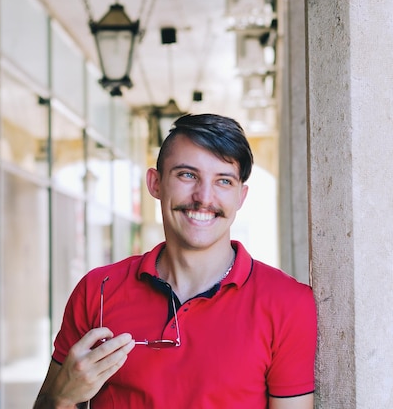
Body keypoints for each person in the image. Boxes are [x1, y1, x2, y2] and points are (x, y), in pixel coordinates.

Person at [33, 113, 317, 409]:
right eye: (187, 175)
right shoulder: (98, 290)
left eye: (223, 180)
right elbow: (46, 403)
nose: (204, 197)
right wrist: (62, 398)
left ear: (240, 197)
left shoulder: (288, 303)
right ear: (155, 183)